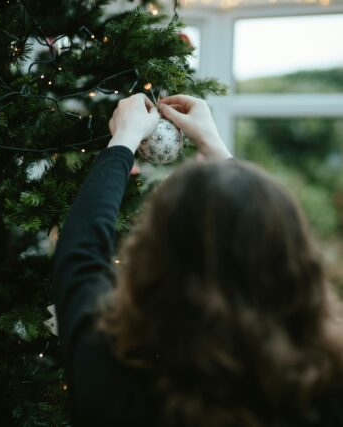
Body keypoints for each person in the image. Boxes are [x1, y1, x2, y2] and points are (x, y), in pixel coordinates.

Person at [53, 93, 343, 427]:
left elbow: (80, 251)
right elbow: (80, 252)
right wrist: (216, 149)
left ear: (152, 259)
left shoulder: (113, 374)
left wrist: (123, 140)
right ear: (291, 261)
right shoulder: (325, 387)